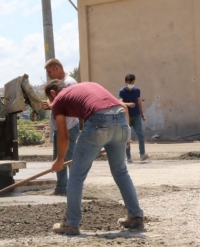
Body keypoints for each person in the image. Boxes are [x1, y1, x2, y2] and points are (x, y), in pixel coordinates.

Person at [46, 80, 144, 235]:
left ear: (53, 94)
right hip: (120, 120)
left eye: (51, 102)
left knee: (76, 176)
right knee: (121, 171)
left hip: (98, 121)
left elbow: (63, 138)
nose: (53, 107)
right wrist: (123, 137)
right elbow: (123, 106)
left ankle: (70, 223)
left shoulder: (58, 100)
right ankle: (136, 216)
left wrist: (59, 160)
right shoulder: (86, 87)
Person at [42, 59, 80, 196]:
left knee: (67, 158)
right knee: (59, 158)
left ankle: (72, 188)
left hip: (68, 127)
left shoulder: (69, 83)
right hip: (60, 127)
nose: (49, 75)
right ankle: (61, 188)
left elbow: (67, 105)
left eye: (50, 71)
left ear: (57, 68)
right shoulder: (56, 85)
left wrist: (53, 105)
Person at [119, 74, 149, 163]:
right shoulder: (122, 91)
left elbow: (139, 102)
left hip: (136, 116)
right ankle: (128, 157)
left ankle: (142, 154)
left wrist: (142, 114)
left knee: (140, 134)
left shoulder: (137, 90)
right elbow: (120, 102)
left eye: (133, 82)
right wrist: (128, 104)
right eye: (129, 83)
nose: (131, 84)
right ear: (125, 82)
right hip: (127, 117)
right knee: (127, 137)